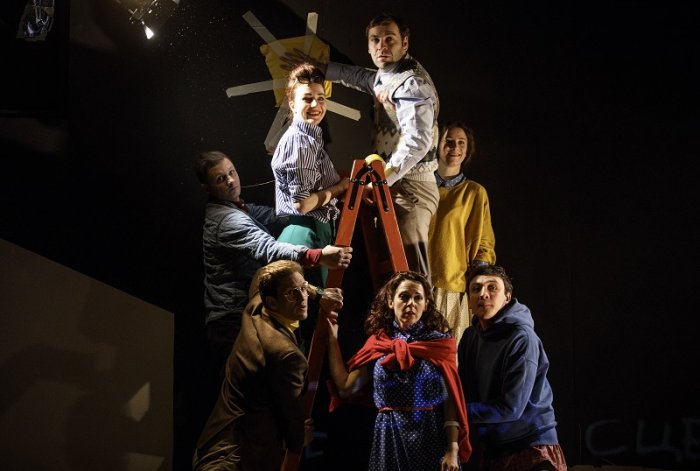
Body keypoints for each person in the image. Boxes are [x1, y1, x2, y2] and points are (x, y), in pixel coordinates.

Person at [282, 13, 440, 278]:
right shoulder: (388, 75)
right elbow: (359, 76)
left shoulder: (412, 83)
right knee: (394, 275)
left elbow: (418, 142)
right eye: (375, 40)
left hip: (411, 186)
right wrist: (320, 68)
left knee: (412, 275)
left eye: (389, 39)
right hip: (393, 183)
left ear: (405, 43)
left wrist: (383, 180)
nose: (381, 46)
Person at [194, 150, 352, 371]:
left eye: (231, 172)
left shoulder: (242, 209)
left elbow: (281, 215)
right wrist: (319, 256)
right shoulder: (225, 220)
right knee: (256, 388)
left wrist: (322, 196)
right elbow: (269, 249)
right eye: (221, 178)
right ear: (207, 187)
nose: (230, 181)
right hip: (232, 324)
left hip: (252, 312)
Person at [192, 260, 344, 471]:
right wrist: (301, 438)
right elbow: (293, 424)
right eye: (292, 293)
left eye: (303, 289)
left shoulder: (256, 308)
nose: (303, 298)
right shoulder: (286, 355)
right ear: (272, 302)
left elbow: (262, 273)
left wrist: (315, 291)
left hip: (214, 448)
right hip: (238, 461)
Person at [325, 271, 471, 470]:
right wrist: (332, 340)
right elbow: (346, 387)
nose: (411, 303)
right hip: (389, 438)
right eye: (404, 296)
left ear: (426, 305)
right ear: (391, 301)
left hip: (430, 437)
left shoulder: (439, 344)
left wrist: (453, 449)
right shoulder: (379, 343)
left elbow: (450, 401)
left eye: (418, 298)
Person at [457, 265, 567, 471]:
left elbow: (511, 408)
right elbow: (462, 392)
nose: (483, 294)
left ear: (507, 297)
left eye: (492, 287)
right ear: (469, 301)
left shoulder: (522, 338)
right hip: (494, 447)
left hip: (532, 445)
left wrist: (457, 410)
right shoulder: (470, 338)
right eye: (476, 288)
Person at [271, 63, 349, 288]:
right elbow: (303, 204)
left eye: (321, 98)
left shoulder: (310, 138)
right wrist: (341, 187)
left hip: (314, 232)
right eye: (307, 99)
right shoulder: (300, 141)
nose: (316, 105)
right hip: (305, 234)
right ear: (292, 103)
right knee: (309, 305)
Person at [428, 122, 496, 345]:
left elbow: (484, 243)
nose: (454, 147)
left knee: (449, 357)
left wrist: (478, 285)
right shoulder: (420, 186)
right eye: (448, 142)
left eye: (461, 143)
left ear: (467, 151)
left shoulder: (474, 192)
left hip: (451, 287)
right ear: (437, 145)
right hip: (417, 284)